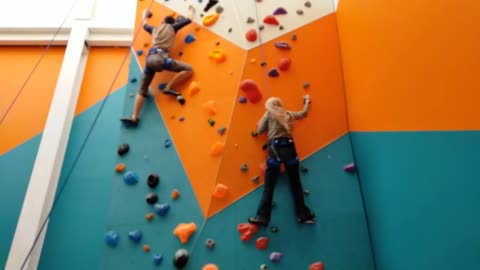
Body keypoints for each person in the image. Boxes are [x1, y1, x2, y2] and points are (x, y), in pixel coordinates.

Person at [121, 6, 196, 127]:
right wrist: (192, 10)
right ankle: (168, 87)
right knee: (188, 69)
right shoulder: (172, 27)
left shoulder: (155, 29)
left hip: (149, 60)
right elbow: (188, 20)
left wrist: (144, 13)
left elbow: (144, 24)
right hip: (161, 59)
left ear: (162, 22)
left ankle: (134, 117)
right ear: (172, 24)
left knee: (142, 90)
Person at [249, 95, 316, 226]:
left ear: (270, 106)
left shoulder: (269, 114)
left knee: (269, 186)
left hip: (275, 151)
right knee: (296, 184)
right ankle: (303, 214)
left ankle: (262, 217)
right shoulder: (289, 114)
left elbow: (260, 130)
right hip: (290, 149)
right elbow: (304, 114)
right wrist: (307, 101)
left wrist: (266, 118)